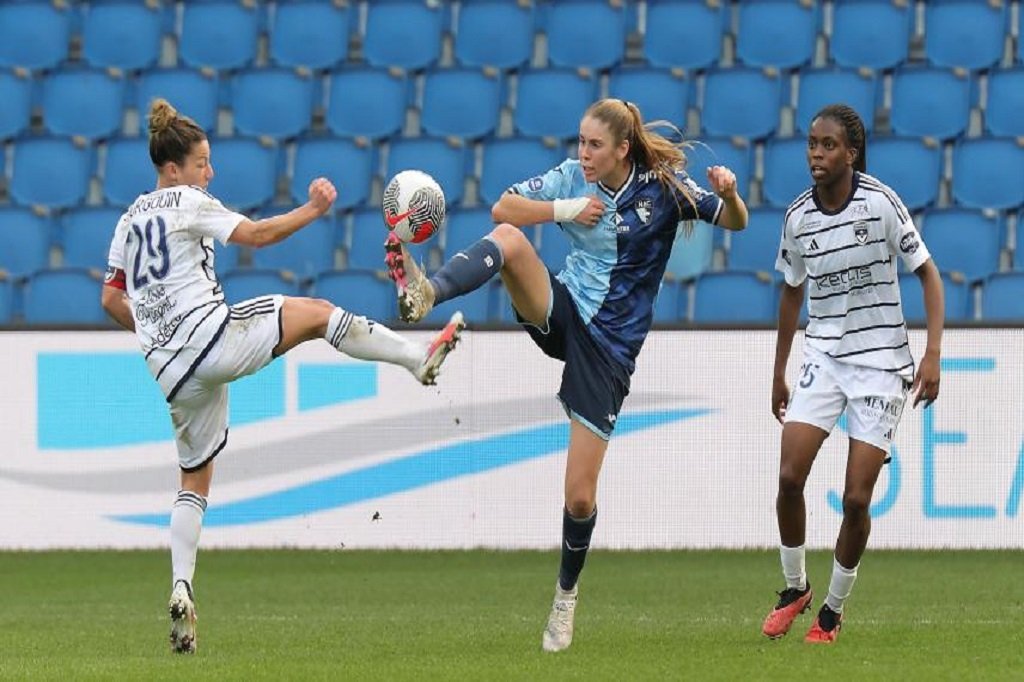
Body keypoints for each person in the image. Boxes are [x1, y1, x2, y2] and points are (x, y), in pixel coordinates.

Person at [100, 99, 466, 654]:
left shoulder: (129, 220)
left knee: (193, 478)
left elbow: (110, 297)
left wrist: (155, 332)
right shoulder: (189, 201)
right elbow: (258, 236)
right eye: (203, 163)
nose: (210, 173)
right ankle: (416, 360)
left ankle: (181, 584)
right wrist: (313, 209)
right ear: (174, 170)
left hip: (169, 368)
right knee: (318, 313)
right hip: (210, 336)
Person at [383, 98, 749, 652]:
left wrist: (729, 194)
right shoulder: (572, 179)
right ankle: (426, 292)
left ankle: (564, 598)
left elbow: (737, 222)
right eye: (580, 142)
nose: (584, 153)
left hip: (608, 351)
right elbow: (503, 209)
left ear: (623, 148)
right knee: (509, 242)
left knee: (579, 497)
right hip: (562, 310)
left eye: (595, 145)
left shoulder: (667, 190)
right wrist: (563, 210)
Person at [762, 104, 944, 644]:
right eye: (812, 144)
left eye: (828, 145)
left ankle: (832, 612)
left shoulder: (881, 203)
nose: (816, 154)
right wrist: (779, 370)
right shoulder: (798, 217)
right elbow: (792, 290)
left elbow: (929, 276)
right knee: (790, 475)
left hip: (882, 363)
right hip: (823, 357)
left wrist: (932, 354)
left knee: (857, 500)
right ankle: (795, 588)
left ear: (852, 152)